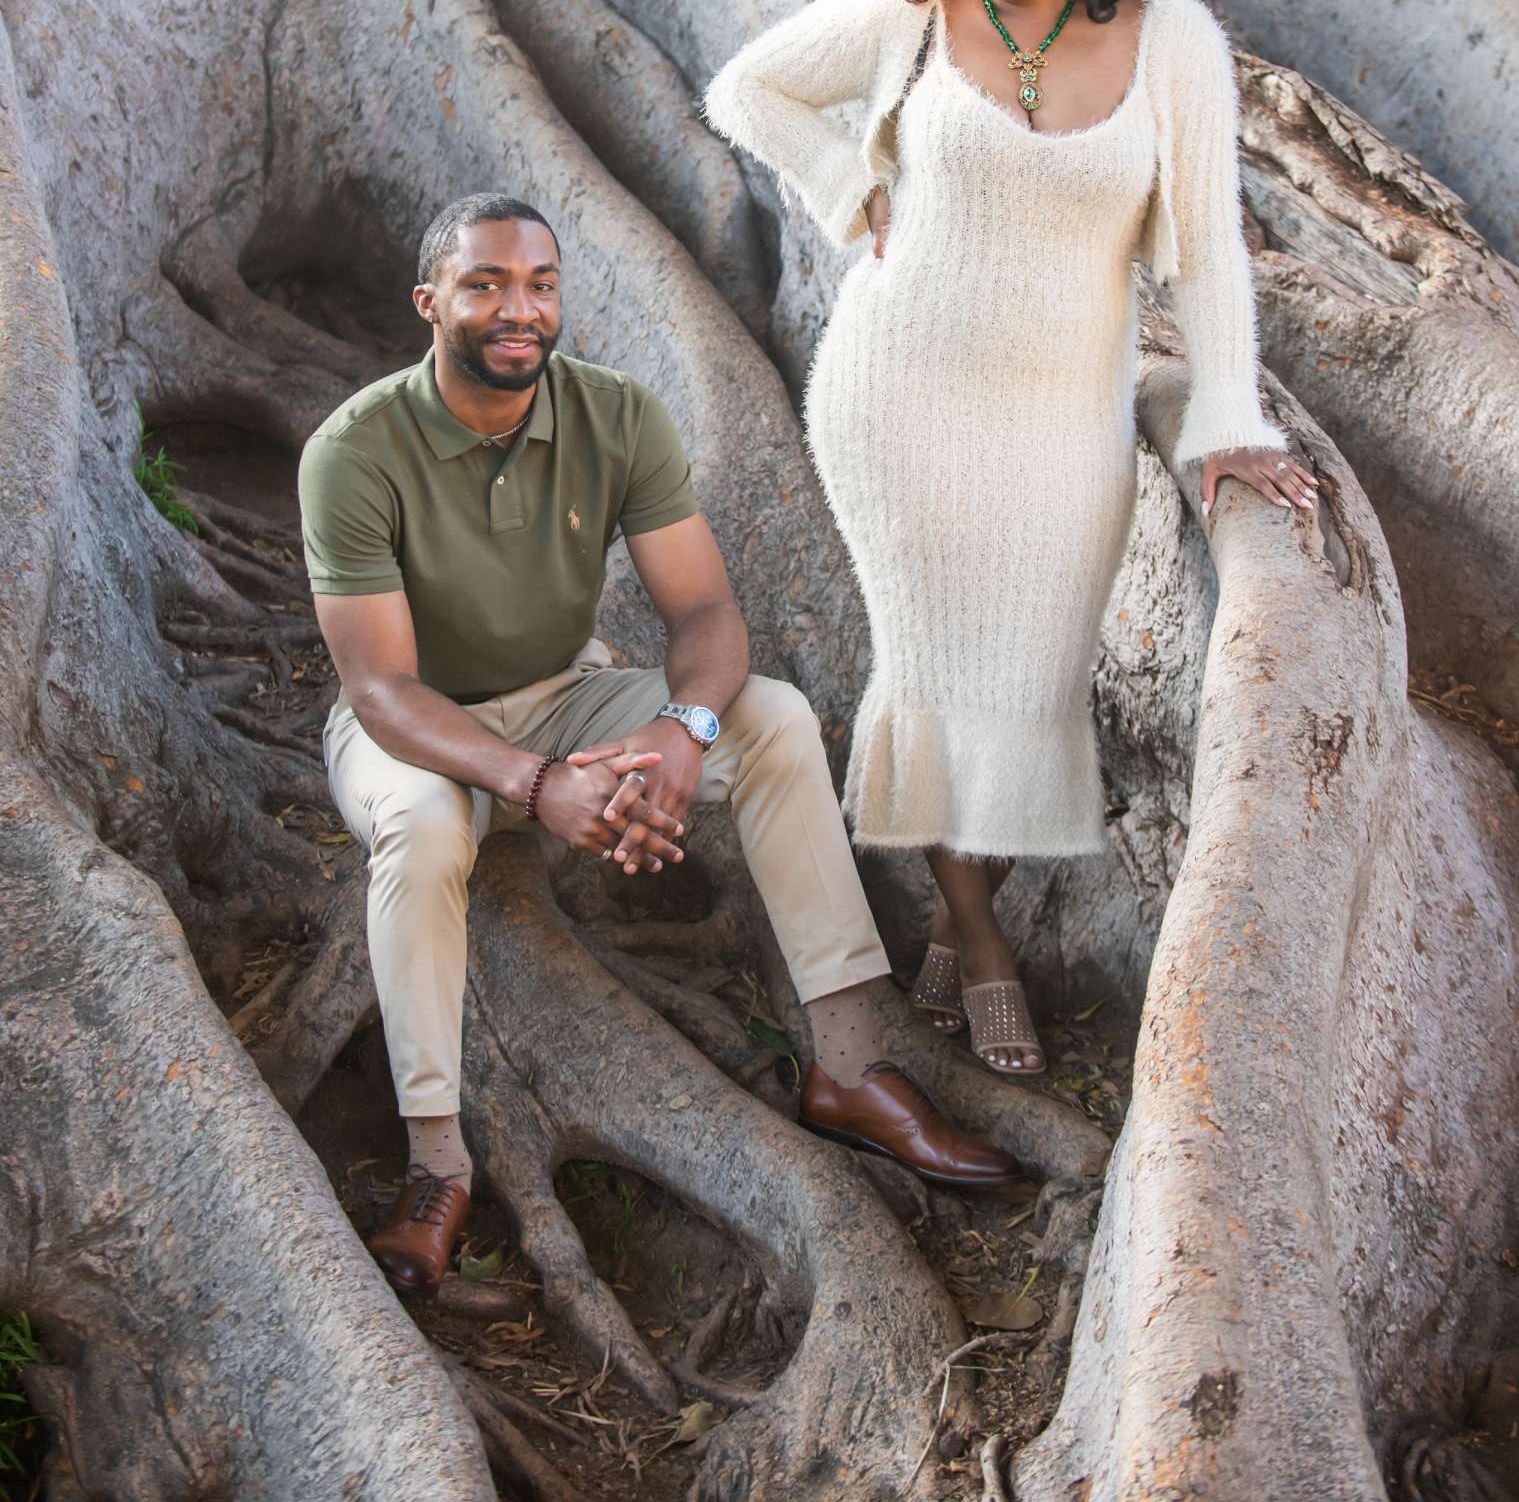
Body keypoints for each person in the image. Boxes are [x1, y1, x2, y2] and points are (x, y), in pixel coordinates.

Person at [299, 193, 1016, 1299]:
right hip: (416, 729)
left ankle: (851, 1066)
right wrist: (538, 788)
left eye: (540, 283)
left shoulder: (617, 415)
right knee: (428, 830)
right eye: (485, 284)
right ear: (429, 302)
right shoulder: (355, 451)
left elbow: (706, 616)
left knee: (768, 717)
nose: (518, 309)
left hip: (569, 695)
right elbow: (383, 688)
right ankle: (437, 1161)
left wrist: (680, 732)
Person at [704, 0, 1318, 1079]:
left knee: (1029, 684)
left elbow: (1205, 248)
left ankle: (953, 904)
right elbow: (746, 86)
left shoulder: (1171, 37)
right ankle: (980, 943)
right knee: (930, 670)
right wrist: (844, 183)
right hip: (900, 394)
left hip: (1061, 416)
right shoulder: (912, 16)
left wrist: (1227, 422)